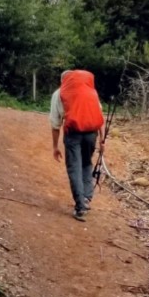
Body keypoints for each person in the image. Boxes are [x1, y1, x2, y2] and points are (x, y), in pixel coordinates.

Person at [49, 69, 105, 221]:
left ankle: (80, 206)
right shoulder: (90, 91)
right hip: (91, 133)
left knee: (74, 167)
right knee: (86, 164)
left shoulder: (59, 94)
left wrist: (55, 147)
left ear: (63, 81)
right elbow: (99, 115)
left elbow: (55, 124)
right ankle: (86, 198)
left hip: (73, 133)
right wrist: (102, 140)